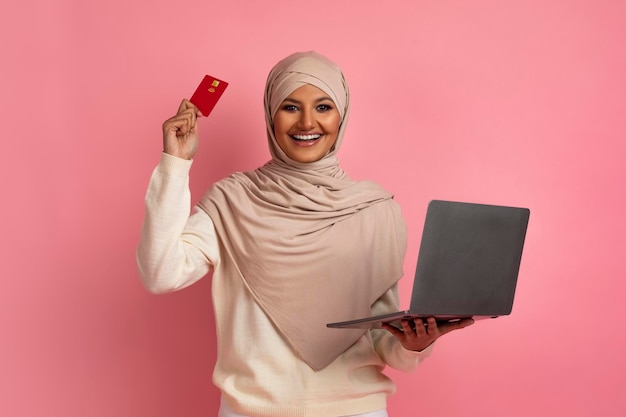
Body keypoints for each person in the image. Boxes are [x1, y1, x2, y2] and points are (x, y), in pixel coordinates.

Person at [137, 51, 473, 417]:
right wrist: (176, 164)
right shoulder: (233, 199)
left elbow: (382, 339)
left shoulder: (375, 209)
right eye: (291, 107)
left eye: (324, 107)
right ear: (270, 114)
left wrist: (414, 345)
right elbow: (160, 273)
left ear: (341, 115)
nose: (308, 122)